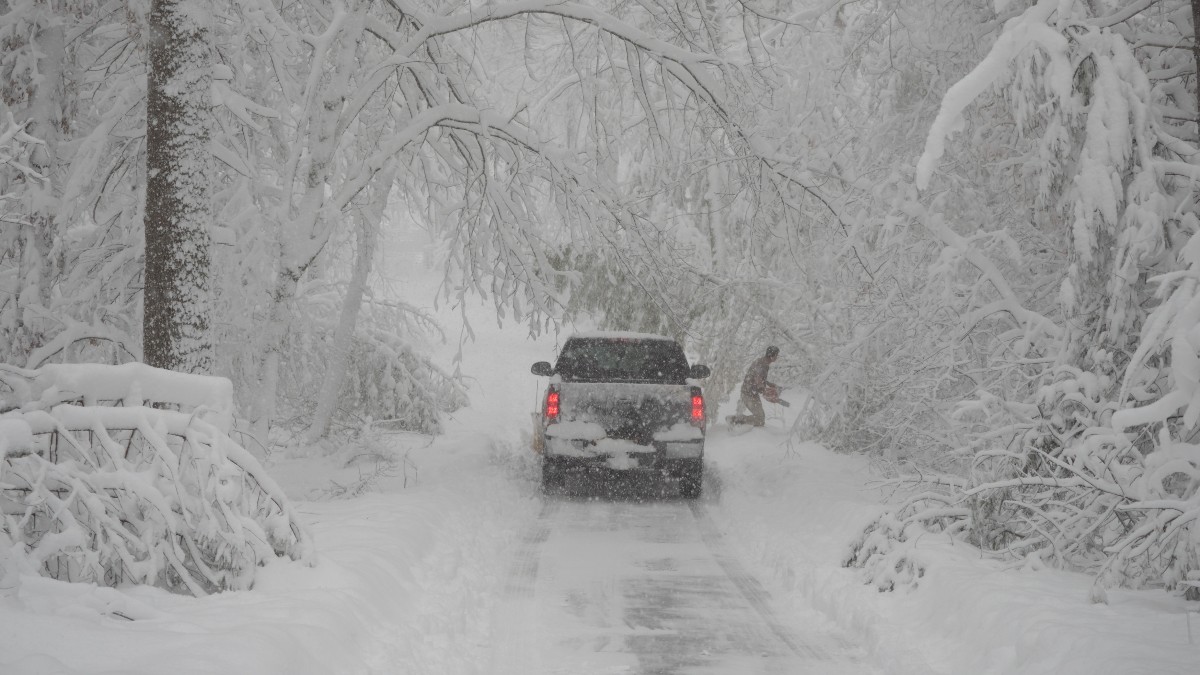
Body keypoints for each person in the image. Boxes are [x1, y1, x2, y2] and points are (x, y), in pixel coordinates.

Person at [728, 345, 780, 427]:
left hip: (752, 393)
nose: (777, 357)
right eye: (776, 355)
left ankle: (738, 421)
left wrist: (769, 384)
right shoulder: (761, 365)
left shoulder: (764, 363)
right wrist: (767, 392)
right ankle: (735, 420)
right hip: (748, 394)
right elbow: (758, 382)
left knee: (760, 418)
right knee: (760, 419)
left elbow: (759, 378)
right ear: (771, 355)